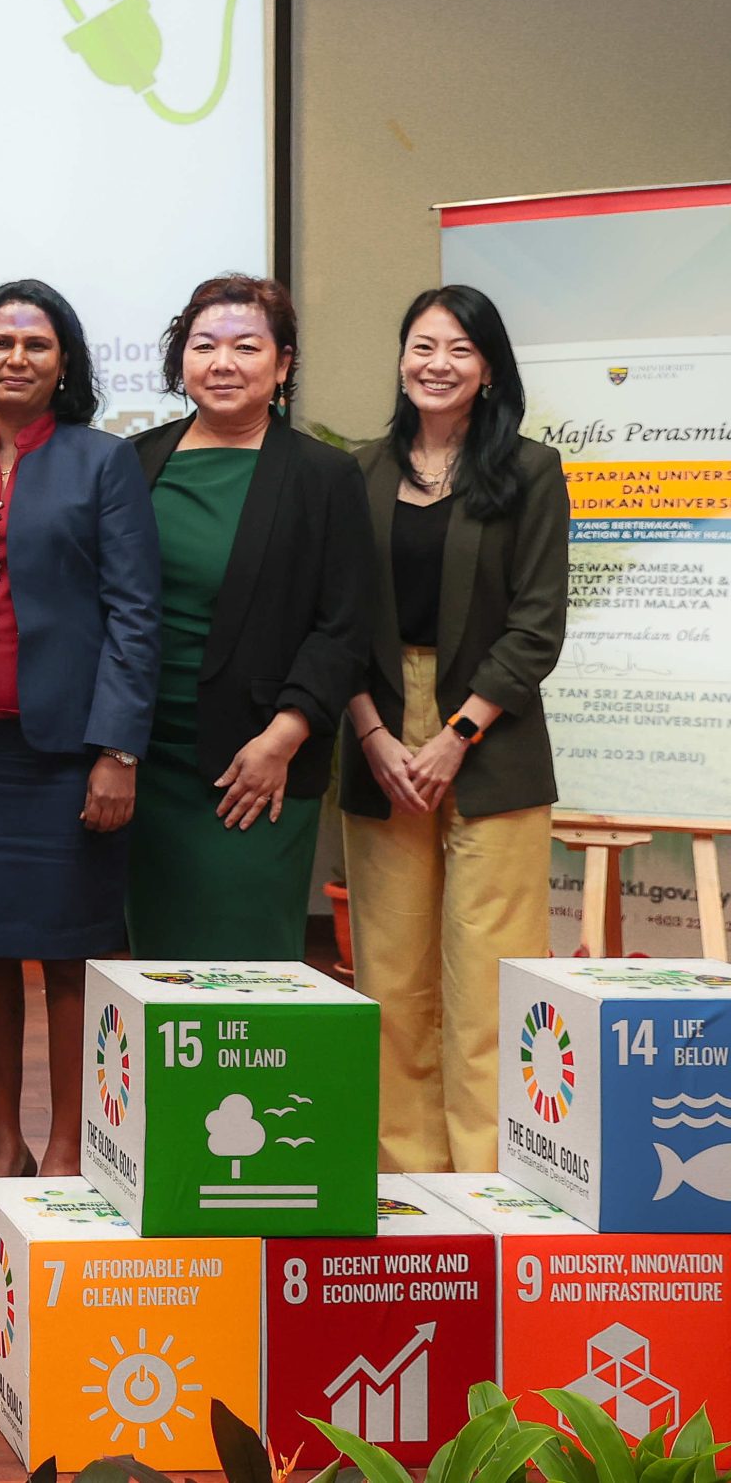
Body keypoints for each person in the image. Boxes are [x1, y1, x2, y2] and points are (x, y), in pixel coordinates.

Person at [0, 280, 160, 1230]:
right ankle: (1, 1146)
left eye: (37, 343)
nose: (16, 357)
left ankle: (68, 1150)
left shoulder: (104, 463)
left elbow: (136, 615)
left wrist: (118, 751)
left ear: (65, 364)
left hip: (70, 756)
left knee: (70, 957)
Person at [339, 286, 568, 1173]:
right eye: (423, 345)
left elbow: (537, 626)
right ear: (402, 357)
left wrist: (455, 735)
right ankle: (405, 1176)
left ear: (489, 369)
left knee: (490, 975)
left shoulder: (530, 471)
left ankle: (489, 1174)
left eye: (460, 349)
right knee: (391, 973)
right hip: (377, 727)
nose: (438, 364)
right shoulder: (358, 471)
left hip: (491, 732)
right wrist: (372, 733)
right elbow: (335, 619)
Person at [127, 274, 375, 959]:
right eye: (204, 345)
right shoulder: (135, 462)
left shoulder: (324, 476)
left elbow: (345, 625)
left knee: (248, 970)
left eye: (246, 346)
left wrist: (283, 738)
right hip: (145, 762)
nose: (223, 363)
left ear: (283, 364)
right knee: (157, 969)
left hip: (258, 761)